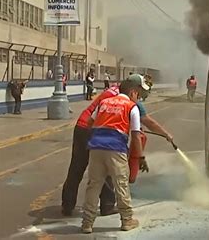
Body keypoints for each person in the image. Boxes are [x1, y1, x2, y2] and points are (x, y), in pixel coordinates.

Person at [81, 78, 147, 233]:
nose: (138, 98)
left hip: (96, 148)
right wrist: (141, 157)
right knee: (121, 185)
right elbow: (136, 136)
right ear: (132, 92)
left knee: (93, 185)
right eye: (138, 95)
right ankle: (127, 220)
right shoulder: (132, 107)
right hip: (116, 149)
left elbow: (90, 122)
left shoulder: (104, 102)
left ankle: (87, 223)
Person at [61, 84, 120, 217]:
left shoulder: (112, 90)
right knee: (105, 166)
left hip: (82, 126)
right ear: (133, 90)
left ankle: (67, 205)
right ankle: (107, 206)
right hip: (92, 128)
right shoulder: (119, 98)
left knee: (76, 168)